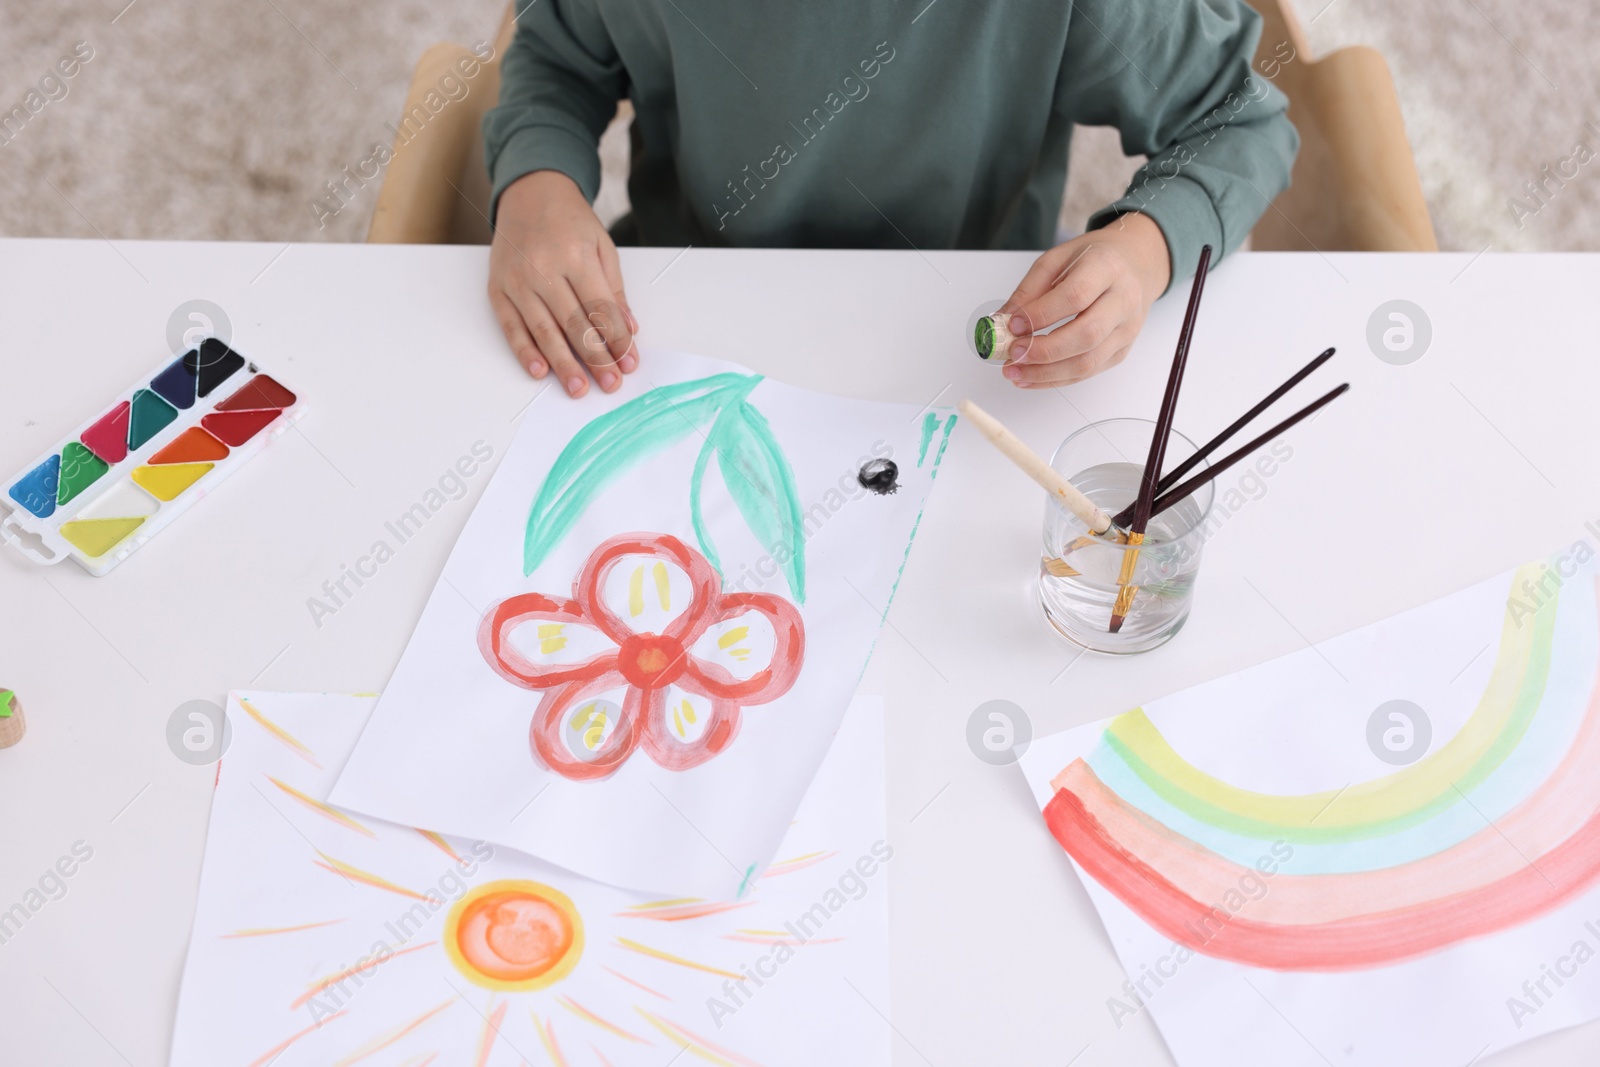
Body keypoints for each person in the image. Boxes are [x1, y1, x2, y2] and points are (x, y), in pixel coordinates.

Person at [482, 0, 1298, 398]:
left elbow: (1239, 123)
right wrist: (536, 183)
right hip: (677, 318)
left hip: (968, 344)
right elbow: (555, 64)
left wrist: (1145, 248)